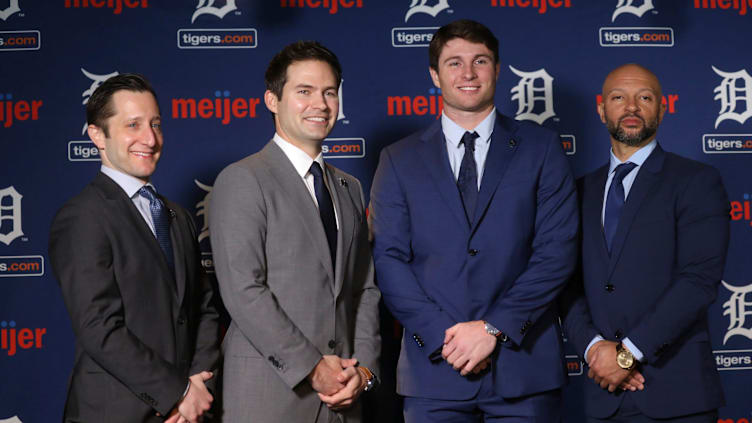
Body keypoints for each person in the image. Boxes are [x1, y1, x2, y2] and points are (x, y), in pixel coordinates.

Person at [370, 19, 578, 422]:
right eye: (454, 63)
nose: (467, 74)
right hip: (435, 370)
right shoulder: (398, 159)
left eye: (480, 61)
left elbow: (556, 252)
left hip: (525, 371)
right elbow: (389, 260)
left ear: (498, 69)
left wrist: (493, 329)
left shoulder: (542, 149)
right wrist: (447, 340)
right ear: (435, 74)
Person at [209, 41, 380, 422]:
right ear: (272, 100)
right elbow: (243, 290)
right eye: (304, 91)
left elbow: (363, 289)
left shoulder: (349, 187)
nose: (319, 104)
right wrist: (313, 368)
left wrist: (364, 370)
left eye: (329, 92)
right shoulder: (243, 179)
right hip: (271, 395)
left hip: (343, 399)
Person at [560, 63, 730, 422]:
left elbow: (698, 280)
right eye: (618, 97)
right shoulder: (578, 191)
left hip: (677, 396)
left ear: (663, 108)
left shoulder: (697, 181)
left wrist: (628, 355)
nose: (632, 107)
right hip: (601, 393)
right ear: (601, 108)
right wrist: (594, 350)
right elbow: (566, 285)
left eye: (645, 97)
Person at [49, 73, 221, 423]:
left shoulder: (178, 217)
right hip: (116, 412)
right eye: (133, 125)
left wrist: (198, 390)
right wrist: (177, 393)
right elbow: (99, 328)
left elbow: (204, 311)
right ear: (98, 134)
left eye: (155, 124)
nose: (150, 138)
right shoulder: (82, 216)